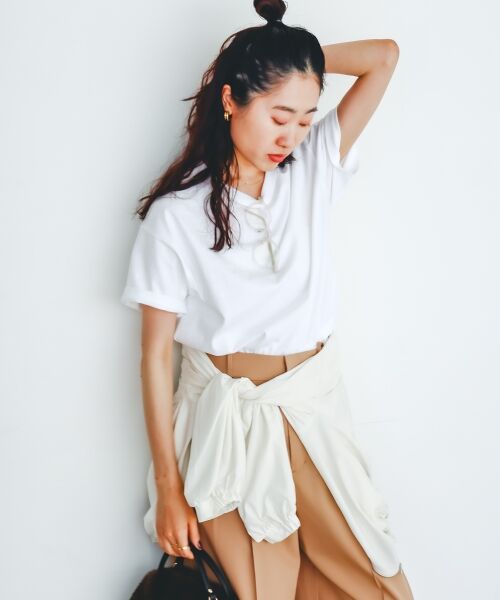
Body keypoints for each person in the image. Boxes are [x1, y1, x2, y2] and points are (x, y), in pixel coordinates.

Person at [120, 1, 414, 598]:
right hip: (230, 429)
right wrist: (170, 489)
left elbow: (384, 58)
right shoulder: (176, 217)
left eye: (306, 118)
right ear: (230, 99)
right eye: (279, 115)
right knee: (258, 592)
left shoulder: (311, 169)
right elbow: (154, 357)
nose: (292, 136)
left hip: (312, 411)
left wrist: (294, 59)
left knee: (372, 585)